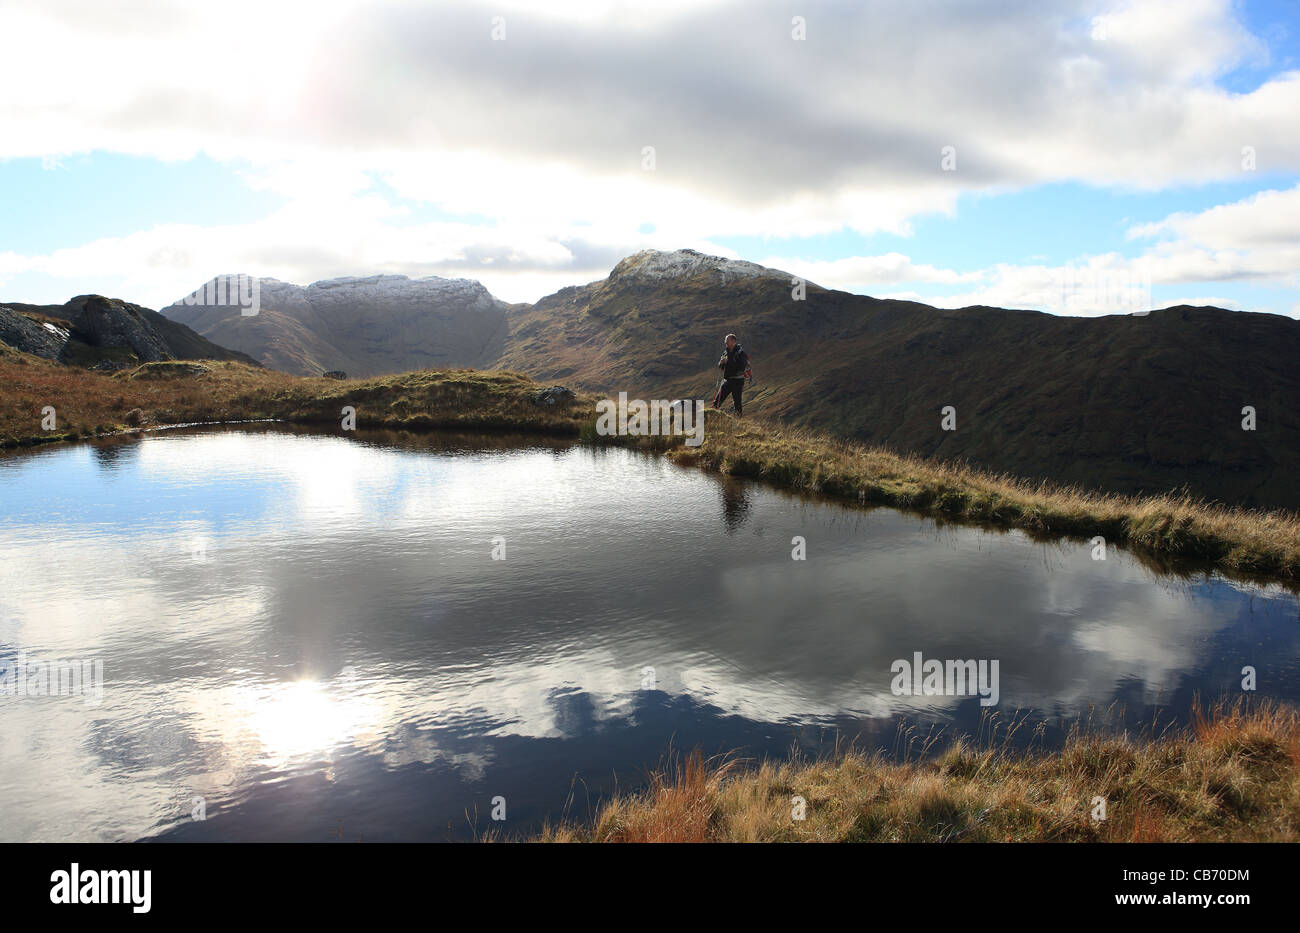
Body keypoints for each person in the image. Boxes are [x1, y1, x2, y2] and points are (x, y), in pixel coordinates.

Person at [713, 333, 750, 415]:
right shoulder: (726, 352)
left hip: (737, 381)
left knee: (737, 402)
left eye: (727, 340)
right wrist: (721, 363)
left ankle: (738, 419)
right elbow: (721, 366)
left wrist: (728, 362)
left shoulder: (740, 353)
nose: (725, 342)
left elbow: (741, 367)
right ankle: (713, 416)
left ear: (734, 341)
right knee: (718, 400)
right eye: (725, 340)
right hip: (727, 380)